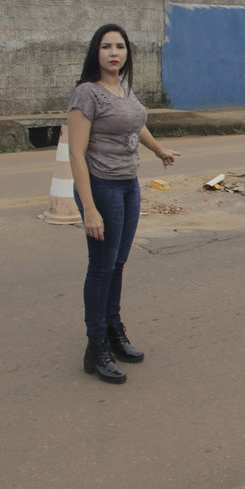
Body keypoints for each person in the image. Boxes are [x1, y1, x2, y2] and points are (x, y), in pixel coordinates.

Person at [67, 24, 181, 384]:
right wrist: (88, 207)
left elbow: (136, 124)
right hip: (101, 188)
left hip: (128, 185)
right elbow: (75, 152)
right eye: (106, 47)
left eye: (119, 46)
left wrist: (158, 149)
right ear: (95, 53)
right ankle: (95, 344)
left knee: (117, 264)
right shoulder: (87, 94)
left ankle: (114, 330)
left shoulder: (123, 88)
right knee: (101, 268)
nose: (113, 52)